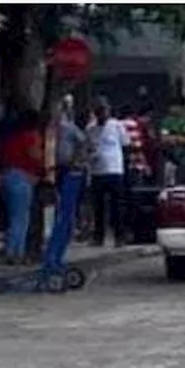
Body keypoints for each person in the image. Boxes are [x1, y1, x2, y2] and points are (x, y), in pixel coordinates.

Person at [43, 100, 89, 273]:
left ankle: (56, 253)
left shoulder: (68, 128)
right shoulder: (48, 131)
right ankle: (52, 253)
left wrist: (77, 161)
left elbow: (83, 142)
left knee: (65, 213)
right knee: (57, 211)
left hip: (66, 169)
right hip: (53, 171)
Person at [0, 109, 46, 264]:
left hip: (7, 175)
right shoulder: (31, 136)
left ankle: (11, 248)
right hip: (23, 176)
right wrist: (42, 170)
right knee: (21, 217)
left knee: (12, 215)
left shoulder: (10, 137)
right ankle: (15, 252)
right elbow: (34, 156)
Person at [87, 98, 131, 248]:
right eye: (98, 111)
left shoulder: (117, 125)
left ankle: (120, 236)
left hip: (114, 170)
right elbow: (88, 147)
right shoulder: (91, 128)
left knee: (117, 205)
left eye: (103, 110)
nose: (101, 114)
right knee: (98, 206)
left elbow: (126, 144)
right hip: (97, 171)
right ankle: (98, 236)